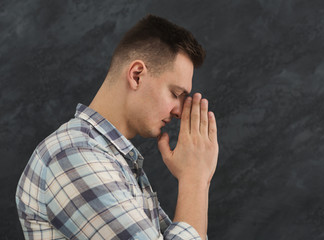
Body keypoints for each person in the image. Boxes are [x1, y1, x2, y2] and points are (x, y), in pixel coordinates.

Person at [16, 14, 219, 240]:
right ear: (136, 75)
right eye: (175, 93)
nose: (179, 111)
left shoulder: (111, 159)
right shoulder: (73, 155)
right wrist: (194, 179)